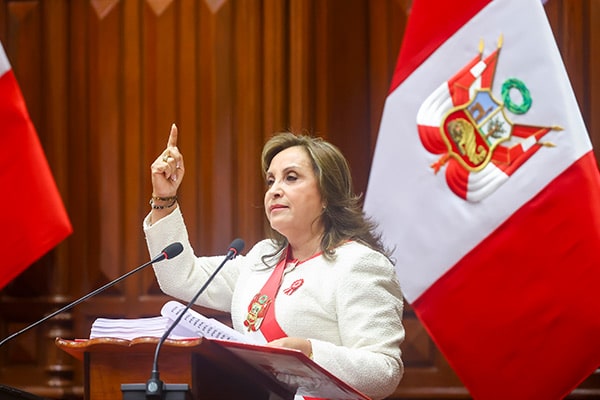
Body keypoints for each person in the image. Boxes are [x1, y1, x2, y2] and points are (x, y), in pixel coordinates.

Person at [143, 124, 405, 400]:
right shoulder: (262, 258)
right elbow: (180, 277)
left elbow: (384, 372)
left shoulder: (359, 264)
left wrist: (310, 352)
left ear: (327, 195)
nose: (274, 191)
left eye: (291, 178)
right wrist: (164, 198)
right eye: (271, 181)